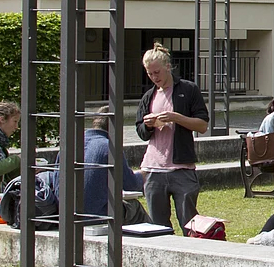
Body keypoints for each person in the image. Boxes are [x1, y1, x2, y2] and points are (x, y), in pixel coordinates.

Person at [136, 42, 210, 233]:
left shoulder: (189, 89)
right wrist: (148, 125)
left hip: (181, 168)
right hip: (153, 169)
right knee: (157, 228)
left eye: (157, 72)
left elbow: (202, 125)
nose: (154, 77)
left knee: (190, 224)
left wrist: (176, 117)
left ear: (168, 67)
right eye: (150, 73)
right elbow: (141, 132)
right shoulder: (148, 96)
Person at [83, 106, 144, 220]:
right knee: (135, 207)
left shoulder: (72, 143)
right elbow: (131, 185)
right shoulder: (109, 148)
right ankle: (154, 236)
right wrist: (142, 175)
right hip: (97, 213)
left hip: (65, 211)